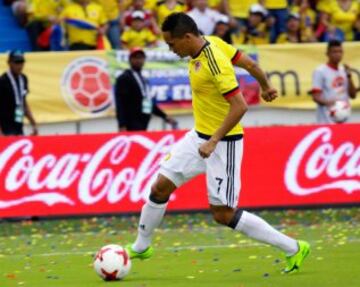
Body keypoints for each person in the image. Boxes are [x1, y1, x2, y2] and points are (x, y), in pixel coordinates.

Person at [125, 12, 310, 274]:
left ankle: (293, 247)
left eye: (172, 44)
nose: (171, 49)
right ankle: (142, 247)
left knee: (222, 214)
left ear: (187, 37)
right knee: (159, 188)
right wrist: (266, 86)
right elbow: (250, 64)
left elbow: (240, 106)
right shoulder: (211, 43)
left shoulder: (214, 62)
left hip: (224, 143)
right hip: (199, 137)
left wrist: (214, 140)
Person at [114, 47, 177, 131]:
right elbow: (120, 103)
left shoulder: (144, 80)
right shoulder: (124, 78)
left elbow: (148, 102)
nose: (139, 60)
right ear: (130, 60)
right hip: (130, 123)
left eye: (141, 57)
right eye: (135, 57)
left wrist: (165, 116)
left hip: (143, 122)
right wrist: (122, 124)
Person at [310, 40, 357, 124]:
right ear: (327, 54)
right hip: (327, 119)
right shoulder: (320, 71)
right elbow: (315, 97)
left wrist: (349, 77)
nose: (338, 54)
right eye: (334, 52)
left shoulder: (343, 70)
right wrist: (331, 104)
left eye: (340, 51)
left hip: (344, 118)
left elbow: (353, 95)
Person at [0, 50, 38, 136]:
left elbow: (23, 102)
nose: (19, 66)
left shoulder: (24, 79)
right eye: (16, 62)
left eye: (21, 62)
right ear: (9, 63)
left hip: (18, 124)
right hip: (5, 127)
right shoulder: (3, 81)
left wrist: (33, 123)